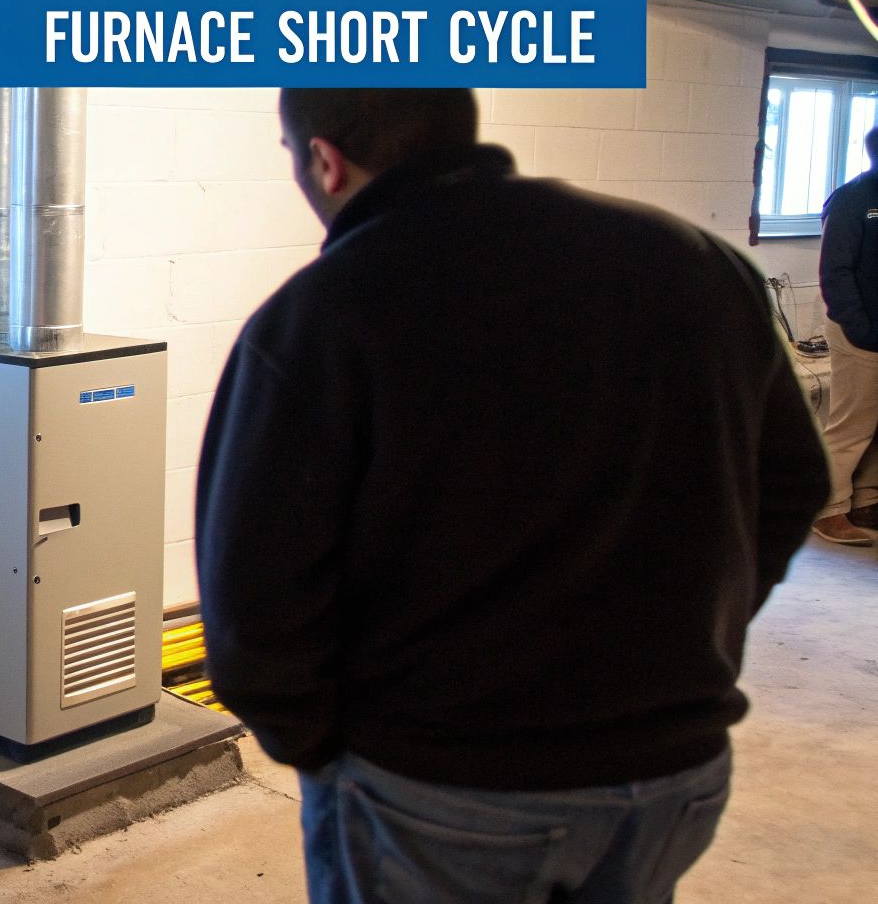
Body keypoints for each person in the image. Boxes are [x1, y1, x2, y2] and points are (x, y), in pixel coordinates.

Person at [195, 88, 829, 904]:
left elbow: (254, 591)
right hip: (676, 770)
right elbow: (795, 482)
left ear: (325, 159)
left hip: (445, 788)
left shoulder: (325, 311)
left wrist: (315, 743)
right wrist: (697, 634)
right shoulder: (693, 261)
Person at [815, 127, 878, 545]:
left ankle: (866, 499)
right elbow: (834, 272)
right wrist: (859, 328)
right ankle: (826, 509)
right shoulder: (853, 198)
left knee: (875, 421)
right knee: (852, 425)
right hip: (860, 330)